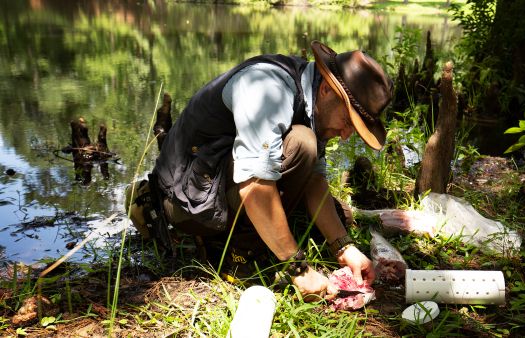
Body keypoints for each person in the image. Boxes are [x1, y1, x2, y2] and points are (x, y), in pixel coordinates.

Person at [126, 41, 393, 299]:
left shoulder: (314, 103)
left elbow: (314, 179)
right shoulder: (268, 89)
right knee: (302, 144)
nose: (346, 135)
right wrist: (297, 267)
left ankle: (251, 238)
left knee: (335, 208)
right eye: (348, 121)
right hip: (185, 205)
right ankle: (237, 255)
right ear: (326, 89)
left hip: (217, 184)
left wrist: (343, 247)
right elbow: (255, 185)